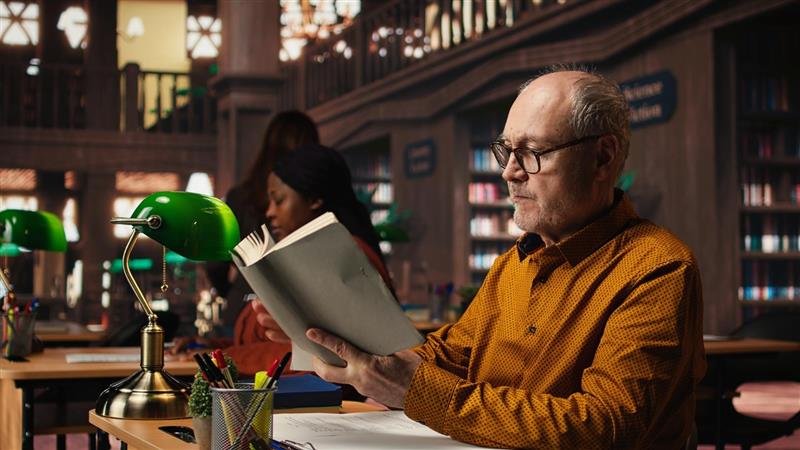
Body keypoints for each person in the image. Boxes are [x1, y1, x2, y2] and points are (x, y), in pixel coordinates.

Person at [251, 66, 707, 448]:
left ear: (602, 158)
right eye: (506, 150)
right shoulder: (515, 264)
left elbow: (604, 427)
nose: (508, 171)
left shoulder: (658, 269)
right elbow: (444, 358)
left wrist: (418, 390)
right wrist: (319, 329)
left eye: (531, 153)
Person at [226, 143, 392, 375]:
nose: (270, 212)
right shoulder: (317, 256)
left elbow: (328, 356)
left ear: (314, 199)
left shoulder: (342, 256)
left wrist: (224, 359)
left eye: (279, 200)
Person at [207, 110, 320, 333]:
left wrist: (233, 291)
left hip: (242, 307)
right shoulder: (311, 199)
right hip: (290, 315)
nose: (271, 212)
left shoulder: (239, 196)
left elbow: (214, 263)